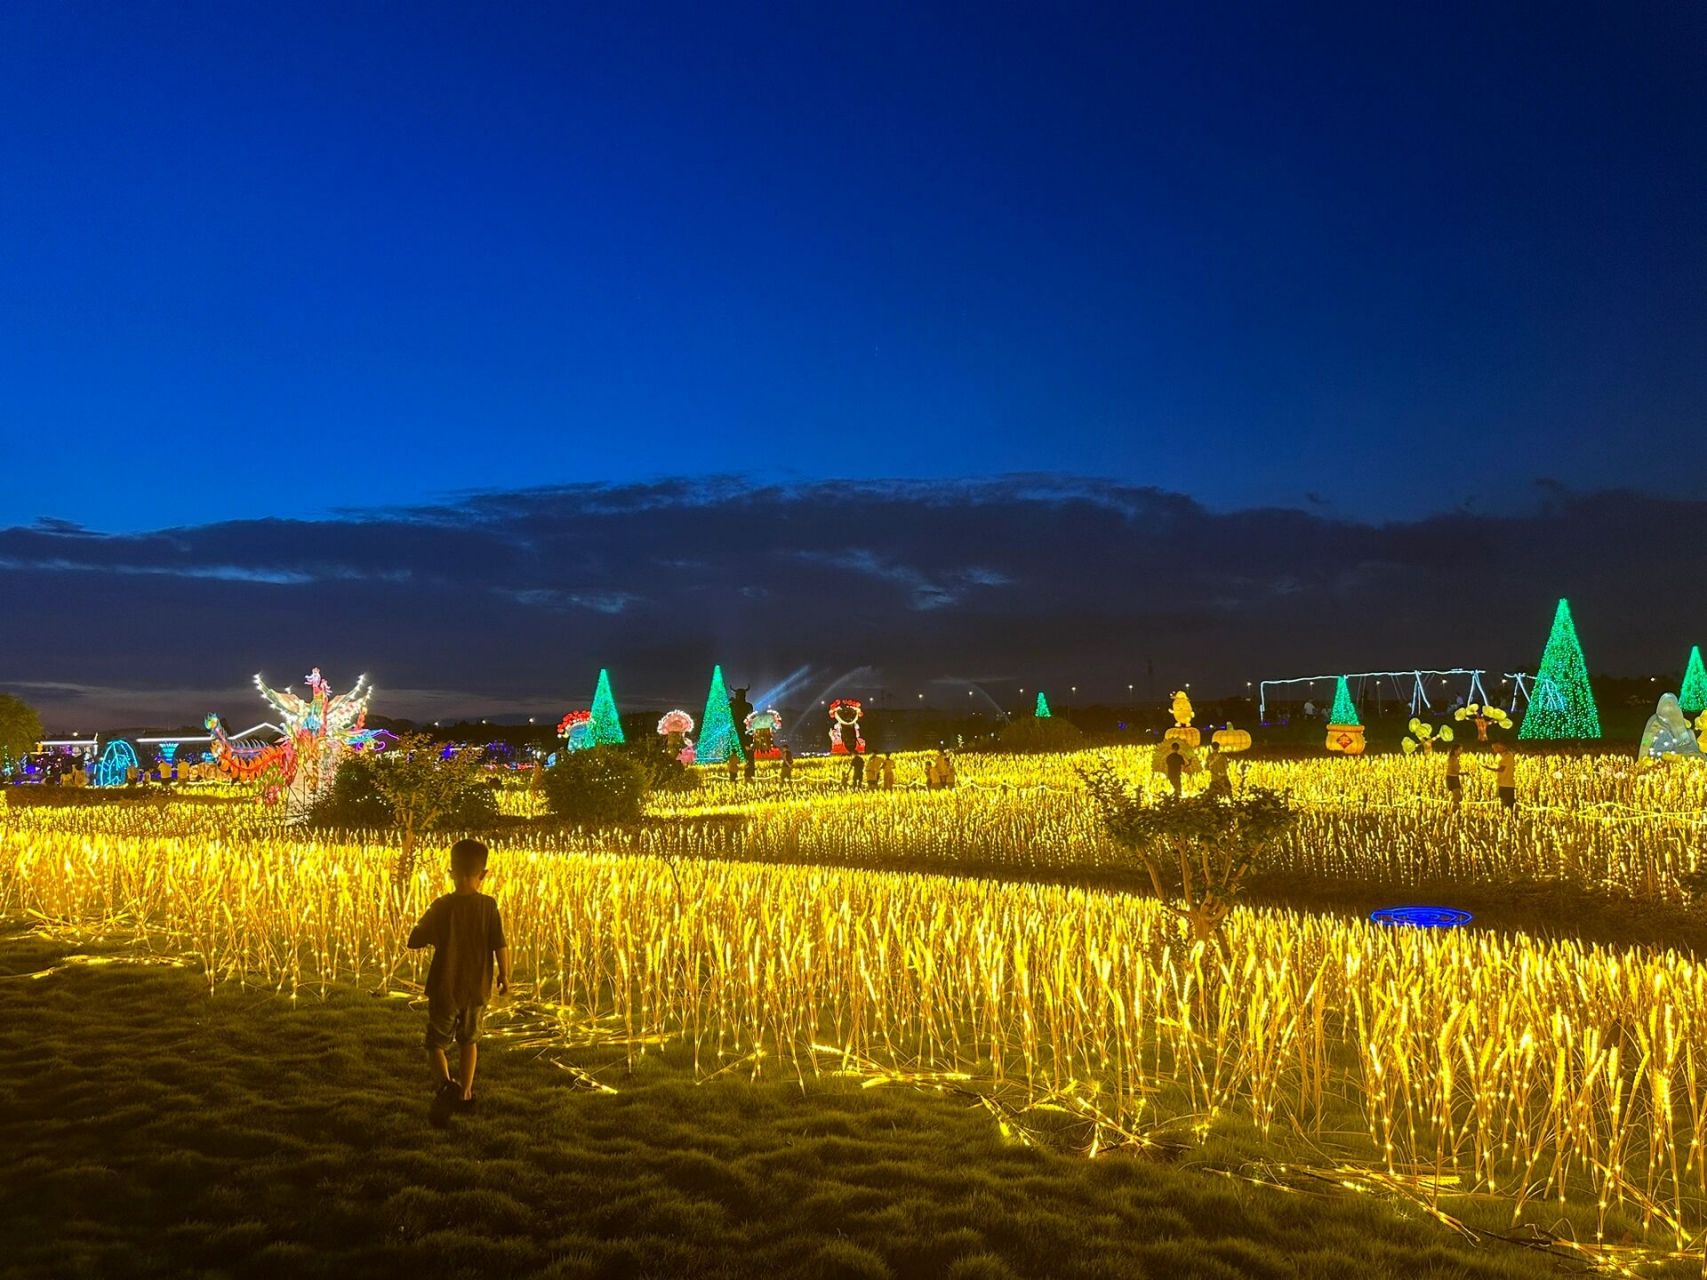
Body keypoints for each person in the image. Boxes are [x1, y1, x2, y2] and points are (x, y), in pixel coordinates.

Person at [407, 839, 510, 1126]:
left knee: (436, 1043)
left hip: (444, 987)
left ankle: (445, 1086)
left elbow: (414, 940)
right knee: (469, 1040)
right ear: (484, 873)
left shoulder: (441, 906)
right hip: (477, 988)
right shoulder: (489, 906)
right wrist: (505, 974)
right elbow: (500, 944)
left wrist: (427, 931)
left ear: (450, 871)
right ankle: (465, 1093)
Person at [1486, 739, 1517, 811]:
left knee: (1508, 804)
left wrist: (1488, 768)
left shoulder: (1508, 756)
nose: (1494, 749)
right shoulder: (1499, 756)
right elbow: (1498, 766)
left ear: (1501, 747)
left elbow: (1501, 769)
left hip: (1508, 784)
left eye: (1495, 747)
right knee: (1502, 804)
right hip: (1501, 783)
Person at [1444, 741, 1464, 808]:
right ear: (1455, 750)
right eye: (1460, 750)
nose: (1461, 752)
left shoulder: (1453, 758)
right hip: (1452, 779)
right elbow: (1455, 770)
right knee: (1456, 798)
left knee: (1458, 798)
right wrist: (1463, 773)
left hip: (1453, 778)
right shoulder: (1453, 759)